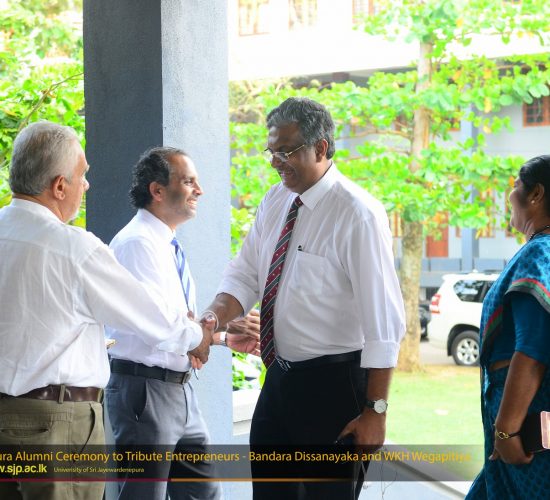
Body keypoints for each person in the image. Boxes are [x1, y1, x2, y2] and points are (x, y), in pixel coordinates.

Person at [202, 97, 406, 499]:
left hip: (335, 387)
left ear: (321, 148)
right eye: (271, 151)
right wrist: (211, 318)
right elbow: (244, 275)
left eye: (286, 151)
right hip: (279, 381)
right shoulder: (275, 200)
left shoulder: (358, 214)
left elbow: (384, 325)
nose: (276, 162)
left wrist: (376, 412)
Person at [0, 121, 213, 500]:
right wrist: (199, 336)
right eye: (82, 175)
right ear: (59, 186)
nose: (86, 186)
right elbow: (152, 318)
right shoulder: (74, 248)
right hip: (58, 423)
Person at [104, 147, 260, 500]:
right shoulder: (137, 244)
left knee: (203, 494)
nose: (199, 191)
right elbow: (161, 326)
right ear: (157, 190)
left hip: (179, 389)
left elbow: (176, 326)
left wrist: (219, 336)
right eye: (189, 182)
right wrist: (202, 334)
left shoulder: (166, 244)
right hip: (145, 391)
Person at [466, 155, 550, 499]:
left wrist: (506, 431)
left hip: (527, 432)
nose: (510, 194)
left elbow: (533, 348)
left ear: (536, 194)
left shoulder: (539, 254)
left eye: (516, 185)